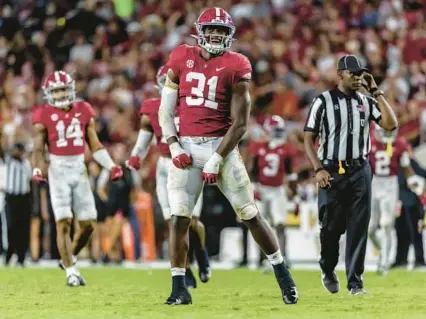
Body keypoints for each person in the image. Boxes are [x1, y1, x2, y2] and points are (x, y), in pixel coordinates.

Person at [159, 7, 298, 305]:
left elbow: (241, 124)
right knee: (179, 217)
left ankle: (283, 275)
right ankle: (178, 288)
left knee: (249, 213)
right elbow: (165, 110)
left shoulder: (237, 65)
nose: (216, 35)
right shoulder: (181, 56)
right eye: (212, 29)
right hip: (186, 144)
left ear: (229, 35)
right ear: (200, 30)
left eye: (222, 31)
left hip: (221, 146)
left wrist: (216, 158)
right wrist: (173, 145)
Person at [304, 55, 398, 295]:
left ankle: (355, 283)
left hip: (360, 169)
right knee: (330, 228)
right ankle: (327, 267)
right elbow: (308, 138)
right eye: (353, 73)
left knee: (358, 226)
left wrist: (376, 90)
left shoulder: (366, 102)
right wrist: (318, 168)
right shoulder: (323, 101)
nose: (357, 78)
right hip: (331, 170)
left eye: (360, 74)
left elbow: (390, 124)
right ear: (340, 74)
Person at [32, 70, 123, 287]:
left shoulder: (83, 110)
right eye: (57, 90)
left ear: (71, 89)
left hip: (79, 167)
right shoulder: (43, 114)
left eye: (64, 89)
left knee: (89, 223)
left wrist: (111, 165)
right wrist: (37, 168)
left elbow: (94, 144)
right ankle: (71, 271)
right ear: (49, 93)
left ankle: (69, 257)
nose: (61, 93)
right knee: (63, 221)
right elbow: (38, 147)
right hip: (58, 169)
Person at [126, 66, 211, 288]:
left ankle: (201, 254)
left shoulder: (194, 105)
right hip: (165, 165)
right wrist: (136, 156)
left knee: (192, 222)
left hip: (190, 163)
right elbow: (144, 138)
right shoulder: (152, 108)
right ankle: (187, 270)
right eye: (165, 79)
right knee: (173, 222)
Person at [368, 125, 424, 275]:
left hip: (390, 185)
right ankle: (382, 252)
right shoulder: (369, 143)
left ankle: (384, 262)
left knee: (386, 224)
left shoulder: (399, 144)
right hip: (373, 184)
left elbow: (407, 167)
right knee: (370, 229)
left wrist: (416, 185)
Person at [250, 115, 297, 269]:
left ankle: (284, 257)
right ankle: (261, 259)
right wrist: (254, 190)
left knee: (280, 224)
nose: (278, 134)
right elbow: (253, 172)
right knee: (261, 225)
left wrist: (294, 197)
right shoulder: (259, 148)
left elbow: (291, 175)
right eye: (275, 131)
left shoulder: (286, 150)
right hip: (262, 190)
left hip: (278, 190)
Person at [4, 142, 32, 266]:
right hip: (11, 198)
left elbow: (30, 180)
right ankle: (9, 255)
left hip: (24, 199)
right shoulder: (8, 161)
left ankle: (21, 258)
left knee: (24, 229)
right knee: (11, 227)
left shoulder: (26, 164)